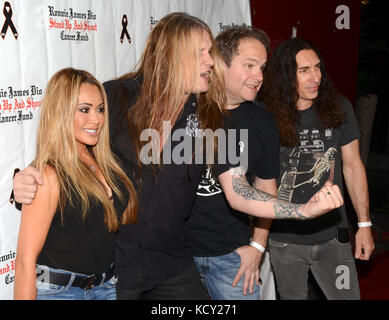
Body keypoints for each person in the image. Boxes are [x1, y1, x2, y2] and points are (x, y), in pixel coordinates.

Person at [13, 13, 343, 300]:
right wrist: (29, 176)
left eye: (210, 52)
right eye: (200, 52)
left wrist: (301, 210)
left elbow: (238, 191)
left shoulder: (209, 118)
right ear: (170, 54)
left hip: (171, 262)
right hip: (116, 265)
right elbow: (67, 141)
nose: (210, 61)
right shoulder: (115, 97)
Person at [258, 38, 375, 300]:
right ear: (285, 76)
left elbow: (354, 167)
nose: (315, 77)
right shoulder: (264, 115)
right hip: (285, 240)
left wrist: (365, 224)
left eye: (318, 67)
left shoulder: (339, 107)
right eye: (304, 70)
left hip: (334, 238)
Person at [13, 68, 138, 300]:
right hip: (60, 292)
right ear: (61, 112)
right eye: (84, 110)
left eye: (100, 109)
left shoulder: (108, 162)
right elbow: (24, 260)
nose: (97, 119)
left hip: (107, 286)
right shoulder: (48, 174)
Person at [187, 26, 278, 300]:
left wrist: (258, 247)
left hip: (233, 258)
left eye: (262, 67)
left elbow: (266, 188)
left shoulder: (262, 121)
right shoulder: (186, 108)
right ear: (219, 63)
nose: (259, 76)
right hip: (177, 258)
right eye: (249, 65)